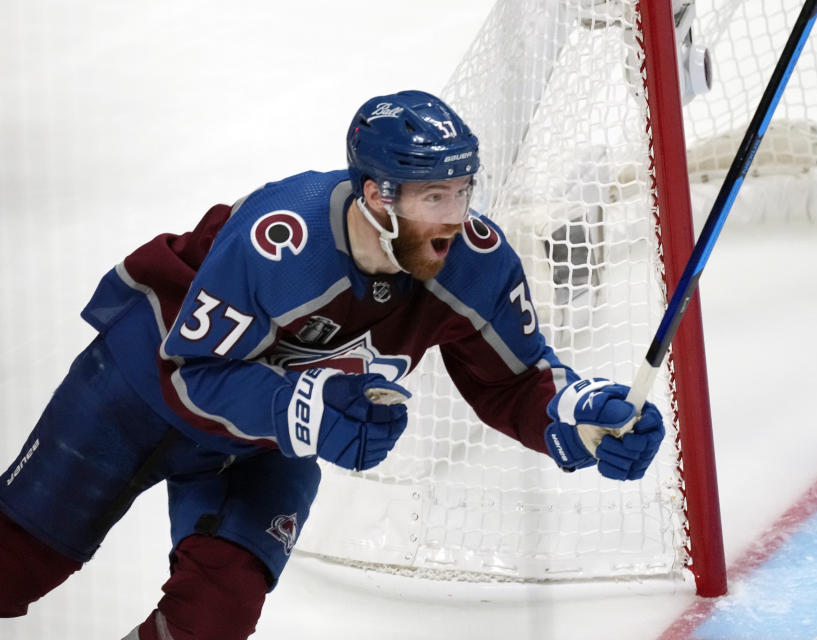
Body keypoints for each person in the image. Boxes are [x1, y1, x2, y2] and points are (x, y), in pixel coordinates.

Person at [0, 90, 665, 639]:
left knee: (216, 614)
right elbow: (192, 370)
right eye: (436, 198)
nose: (458, 217)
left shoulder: (475, 264)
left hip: (265, 444)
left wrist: (578, 417)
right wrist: (305, 406)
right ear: (378, 197)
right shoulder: (281, 238)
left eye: (463, 191)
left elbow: (516, 380)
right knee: (16, 566)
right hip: (136, 395)